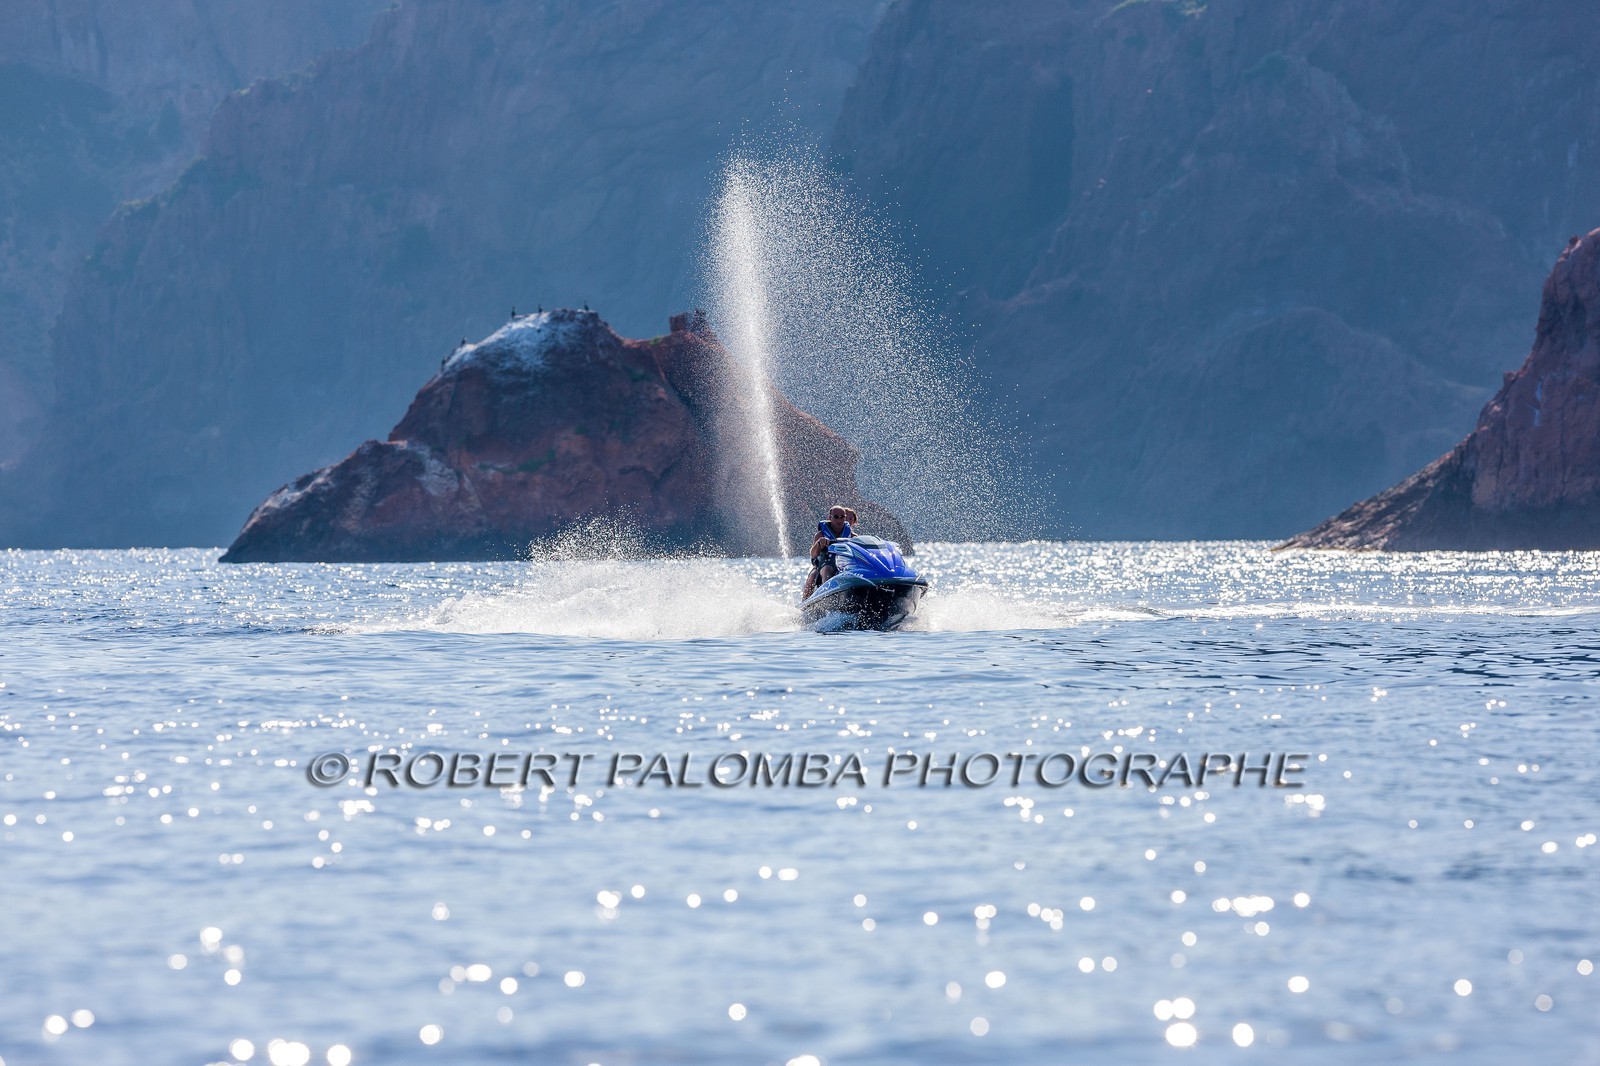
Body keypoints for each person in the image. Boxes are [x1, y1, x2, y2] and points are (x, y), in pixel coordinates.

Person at [802, 505, 854, 598]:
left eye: (842, 517)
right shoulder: (820, 535)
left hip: (845, 564)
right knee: (823, 571)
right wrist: (819, 544)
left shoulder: (853, 536)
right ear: (829, 517)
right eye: (836, 517)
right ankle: (826, 598)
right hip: (826, 563)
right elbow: (813, 555)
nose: (839, 520)